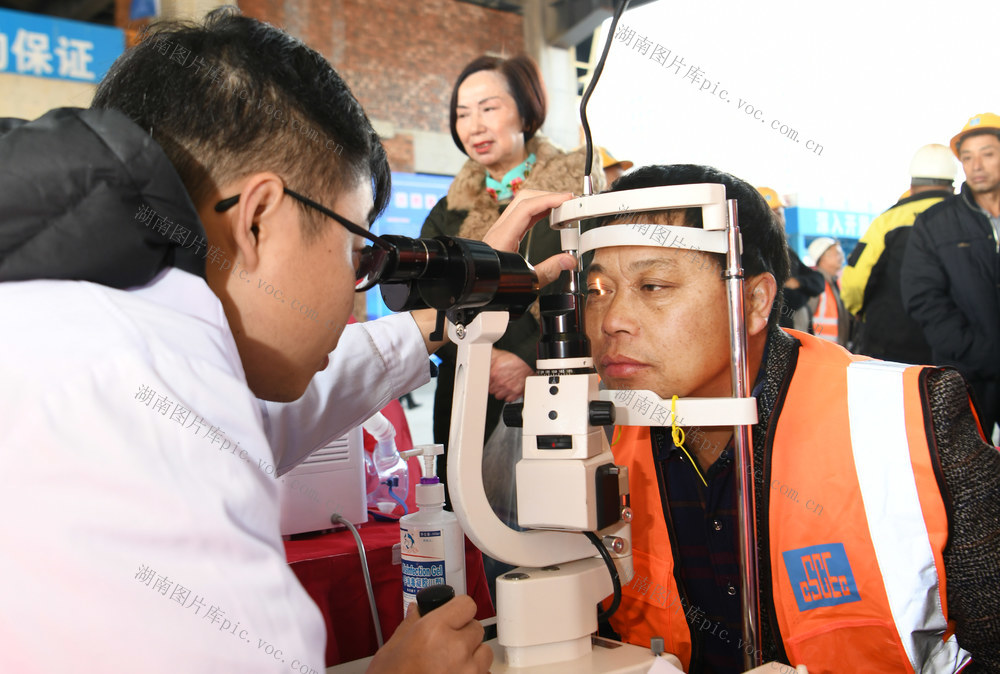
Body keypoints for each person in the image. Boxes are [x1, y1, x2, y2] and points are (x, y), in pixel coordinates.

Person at [0, 10, 577, 673]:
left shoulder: (95, 332)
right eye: (356, 252)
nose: (356, 293)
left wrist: (454, 315)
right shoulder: (139, 413)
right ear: (259, 220)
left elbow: (271, 414)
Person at [585, 164, 999, 672]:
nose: (611, 321)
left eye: (653, 285)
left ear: (755, 300)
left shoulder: (909, 420)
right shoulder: (592, 436)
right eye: (597, 290)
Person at [420, 54, 604, 490]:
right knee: (469, 525)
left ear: (525, 110)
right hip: (468, 395)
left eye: (489, 108)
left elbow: (598, 292)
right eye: (462, 114)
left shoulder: (573, 200)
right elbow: (425, 306)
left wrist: (525, 362)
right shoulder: (447, 214)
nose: (474, 126)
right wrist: (484, 358)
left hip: (558, 388)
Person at [903, 113, 1000, 438]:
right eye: (968, 157)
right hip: (967, 374)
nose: (977, 165)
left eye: (988, 154)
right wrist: (972, 349)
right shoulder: (935, 223)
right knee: (968, 477)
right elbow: (923, 296)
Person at [840, 144, 956, 363]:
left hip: (890, 342)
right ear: (952, 184)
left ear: (911, 185)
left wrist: (857, 310)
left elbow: (856, 281)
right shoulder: (969, 218)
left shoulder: (888, 221)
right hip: (954, 344)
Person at [756, 186, 824, 333]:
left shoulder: (787, 251)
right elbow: (786, 300)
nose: (779, 219)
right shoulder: (755, 253)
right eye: (773, 214)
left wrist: (799, 282)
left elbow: (818, 281)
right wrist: (803, 292)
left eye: (780, 213)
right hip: (777, 336)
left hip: (798, 330)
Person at [804, 236, 850, 346]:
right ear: (824, 256)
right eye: (837, 253)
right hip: (819, 352)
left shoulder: (835, 283)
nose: (842, 257)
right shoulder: (816, 284)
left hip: (834, 351)